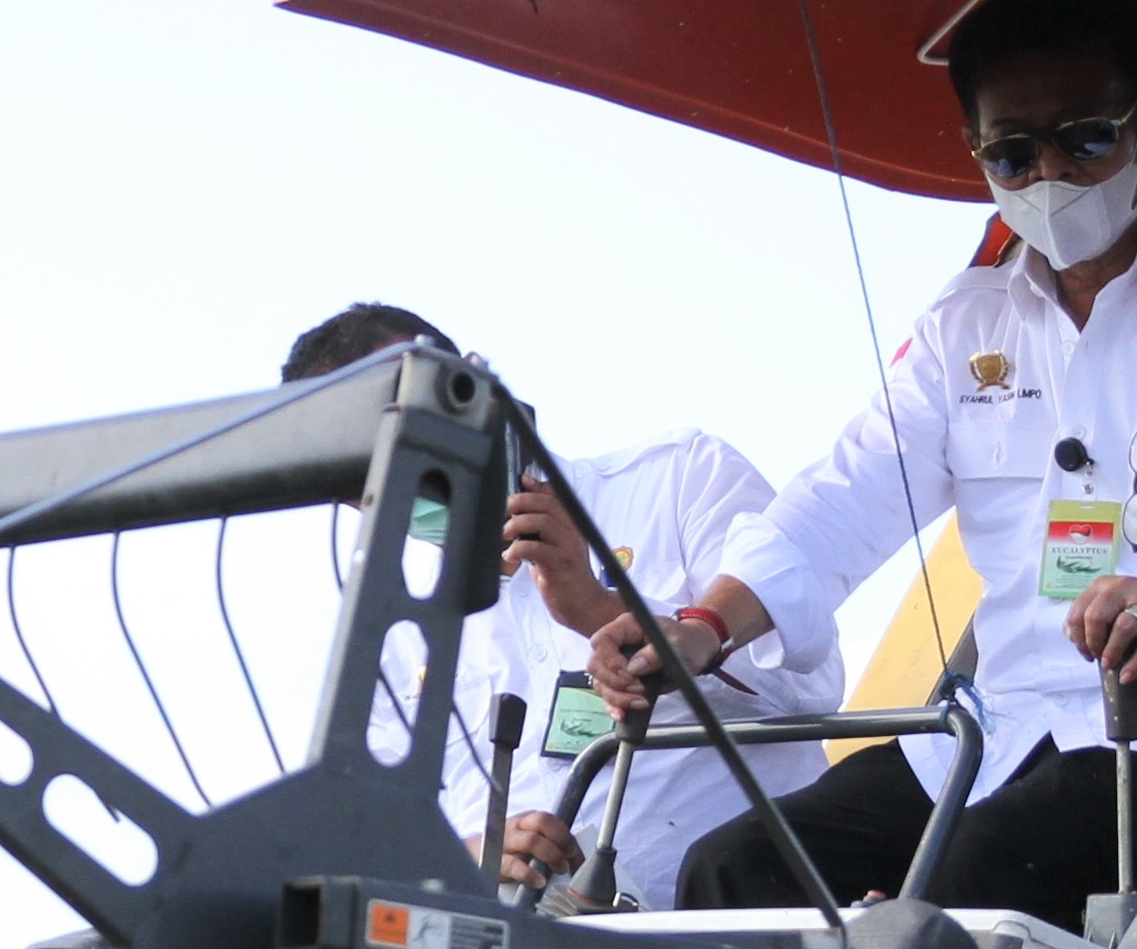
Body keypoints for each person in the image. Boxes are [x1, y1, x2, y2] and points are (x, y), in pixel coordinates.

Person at [586, 0, 1137, 926]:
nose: (1049, 175)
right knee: (735, 872)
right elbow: (844, 496)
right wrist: (702, 627)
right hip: (995, 734)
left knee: (978, 877)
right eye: (1011, 153)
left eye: (1085, 139)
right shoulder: (965, 325)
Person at [282, 303, 836, 901]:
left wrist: (599, 607)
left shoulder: (676, 479)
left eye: (404, 443)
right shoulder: (394, 632)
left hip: (738, 920)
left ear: (468, 392)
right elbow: (360, 824)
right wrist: (466, 853)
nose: (393, 482)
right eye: (359, 477)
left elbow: (810, 683)